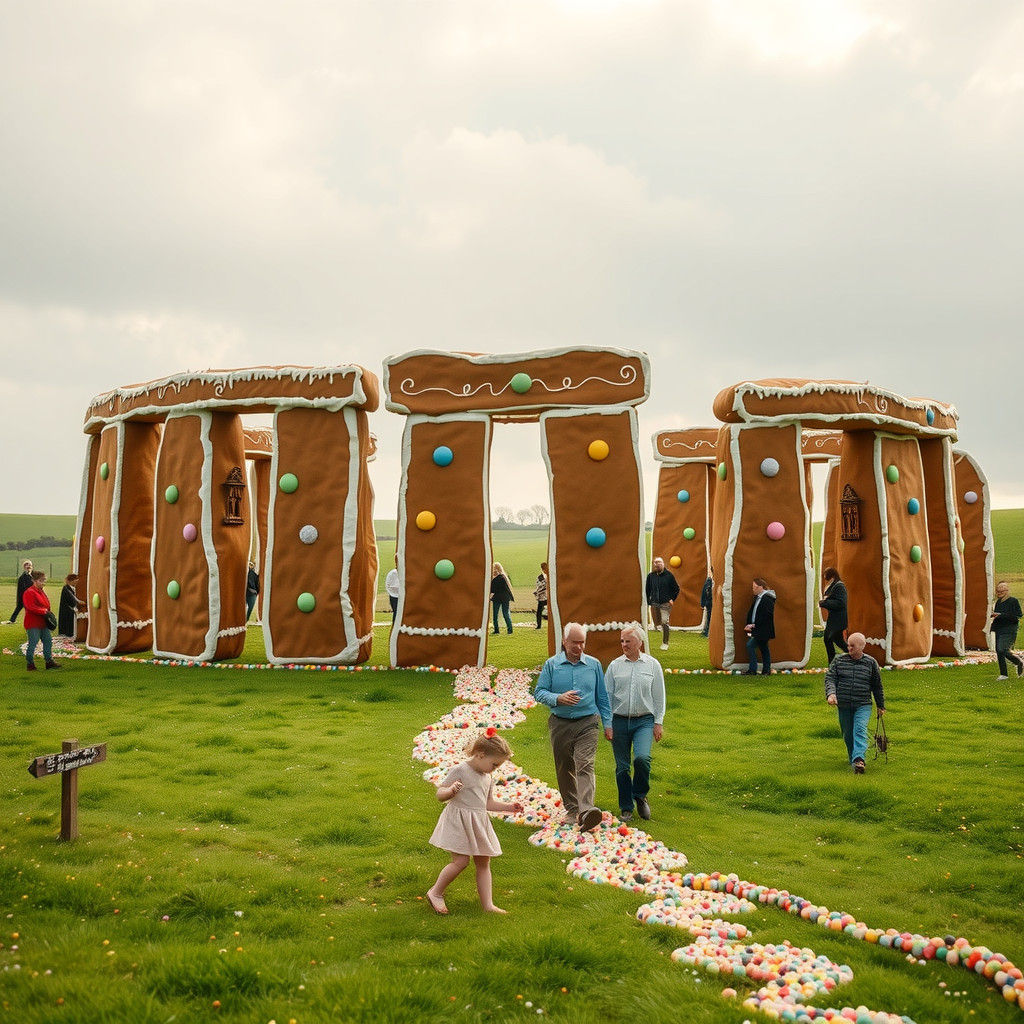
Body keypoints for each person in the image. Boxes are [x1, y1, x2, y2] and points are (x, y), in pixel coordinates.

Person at [426, 729, 524, 914]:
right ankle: (435, 892)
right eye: (494, 764)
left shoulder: (487, 777)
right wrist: (451, 791)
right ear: (480, 755)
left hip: (478, 822)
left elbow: (487, 803)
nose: (495, 769)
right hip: (459, 822)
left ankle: (488, 905)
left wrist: (509, 807)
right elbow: (440, 793)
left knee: (483, 862)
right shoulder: (460, 770)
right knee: (461, 861)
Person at [534, 622, 611, 831]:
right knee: (564, 766)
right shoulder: (552, 665)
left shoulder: (593, 665)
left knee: (584, 763)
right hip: (560, 723)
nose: (579, 647)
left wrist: (608, 724)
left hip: (588, 722)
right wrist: (558, 698)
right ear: (564, 642)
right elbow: (539, 692)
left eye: (582, 643)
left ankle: (587, 811)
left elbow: (602, 697)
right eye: (574, 643)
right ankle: (572, 808)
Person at [603, 623, 666, 822]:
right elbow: (607, 696)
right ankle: (626, 808)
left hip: (644, 722)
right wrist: (607, 723)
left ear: (639, 642)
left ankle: (640, 795)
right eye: (622, 641)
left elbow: (659, 696)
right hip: (619, 721)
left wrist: (658, 722)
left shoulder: (652, 665)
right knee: (622, 767)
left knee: (642, 759)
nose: (623, 645)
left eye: (627, 641)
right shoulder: (615, 666)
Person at [824, 632, 885, 773]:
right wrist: (831, 694)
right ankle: (854, 756)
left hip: (863, 704)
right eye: (848, 645)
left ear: (862, 647)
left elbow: (877, 686)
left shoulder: (870, 663)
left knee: (859, 730)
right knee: (848, 734)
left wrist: (881, 705)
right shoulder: (839, 661)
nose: (849, 648)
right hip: (843, 704)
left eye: (852, 646)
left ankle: (859, 759)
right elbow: (830, 678)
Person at [22, 570, 60, 671]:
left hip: (43, 623)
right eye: (41, 580)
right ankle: (30, 664)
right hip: (33, 623)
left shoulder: (41, 591)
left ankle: (49, 662)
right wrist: (44, 611)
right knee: (33, 643)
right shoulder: (29, 592)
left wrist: (49, 614)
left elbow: (46, 604)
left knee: (48, 641)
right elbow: (30, 607)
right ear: (34, 581)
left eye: (44, 580)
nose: (43, 582)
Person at [989, 581, 1023, 680]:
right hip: (999, 628)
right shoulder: (998, 602)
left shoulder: (1013, 601)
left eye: (1002, 590)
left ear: (1007, 591)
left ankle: (1019, 662)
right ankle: (1004, 674)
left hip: (1009, 629)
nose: (999, 593)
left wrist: (1000, 615)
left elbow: (1018, 615)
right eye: (998, 591)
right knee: (999, 651)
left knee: (1001, 649)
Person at [645, 556, 680, 651]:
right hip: (654, 603)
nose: (656, 564)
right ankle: (659, 626)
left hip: (665, 603)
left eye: (659, 562)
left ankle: (665, 643)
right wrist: (648, 601)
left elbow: (676, 588)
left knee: (665, 622)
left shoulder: (669, 575)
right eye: (655, 563)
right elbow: (647, 590)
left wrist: (672, 599)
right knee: (658, 624)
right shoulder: (651, 576)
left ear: (663, 564)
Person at [743, 577, 776, 675]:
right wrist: (749, 624)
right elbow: (753, 612)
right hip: (759, 628)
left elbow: (767, 615)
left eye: (754, 587)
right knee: (763, 648)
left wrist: (754, 625)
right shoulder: (758, 598)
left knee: (750, 646)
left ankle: (753, 669)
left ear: (761, 587)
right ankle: (766, 670)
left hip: (763, 629)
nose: (753, 589)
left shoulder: (767, 598)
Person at [819, 567, 849, 663]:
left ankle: (832, 661)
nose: (825, 578)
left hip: (838, 620)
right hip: (834, 619)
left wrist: (824, 603)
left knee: (828, 639)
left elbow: (841, 603)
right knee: (838, 641)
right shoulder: (834, 585)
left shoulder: (839, 586)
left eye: (826, 576)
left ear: (831, 576)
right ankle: (854, 655)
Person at [490, 562, 514, 636]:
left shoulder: (496, 579)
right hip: (505, 598)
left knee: (495, 615)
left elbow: (492, 590)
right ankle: (510, 630)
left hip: (497, 598)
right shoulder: (504, 577)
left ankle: (496, 630)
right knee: (506, 614)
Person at [58, 573, 85, 638]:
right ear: (71, 581)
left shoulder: (71, 588)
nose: (76, 583)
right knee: (67, 625)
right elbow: (72, 598)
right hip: (67, 610)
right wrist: (79, 602)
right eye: (75, 581)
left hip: (70, 610)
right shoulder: (66, 588)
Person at [7, 559, 33, 624]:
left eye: (29, 565)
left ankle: (12, 619)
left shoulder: (33, 576)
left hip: (31, 596)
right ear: (24, 567)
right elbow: (23, 588)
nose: (28, 566)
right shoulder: (22, 577)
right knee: (20, 608)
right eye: (26, 565)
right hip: (24, 596)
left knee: (26, 609)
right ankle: (12, 620)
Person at [532, 562, 549, 629]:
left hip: (543, 597)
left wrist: (537, 592)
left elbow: (539, 587)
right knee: (539, 611)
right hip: (547, 597)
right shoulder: (550, 576)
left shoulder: (541, 577)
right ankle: (539, 625)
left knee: (539, 612)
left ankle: (539, 626)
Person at [385, 555, 401, 622]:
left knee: (397, 612)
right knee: (397, 612)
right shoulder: (392, 573)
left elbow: (387, 584)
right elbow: (387, 584)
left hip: (394, 596)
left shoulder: (392, 573)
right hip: (394, 596)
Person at [700, 573, 713, 638]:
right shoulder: (709, 581)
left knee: (710, 618)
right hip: (709, 603)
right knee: (709, 618)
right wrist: (702, 603)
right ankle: (707, 632)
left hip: (711, 602)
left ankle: (708, 632)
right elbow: (704, 593)